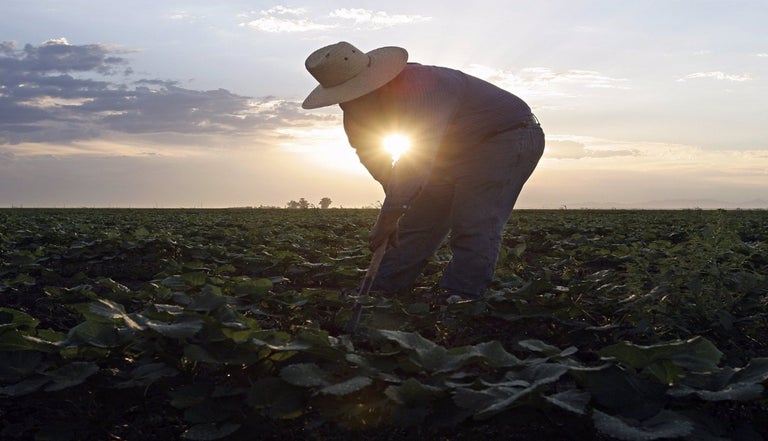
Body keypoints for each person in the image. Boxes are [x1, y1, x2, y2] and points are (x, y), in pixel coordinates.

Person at [302, 41, 545, 302]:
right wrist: (398, 203)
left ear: (377, 81)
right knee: (417, 223)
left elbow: (418, 153)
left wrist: (389, 214)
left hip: (504, 137)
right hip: (449, 150)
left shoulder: (425, 85)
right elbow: (372, 155)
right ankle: (381, 290)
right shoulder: (353, 110)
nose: (348, 102)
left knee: (474, 221)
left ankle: (461, 297)